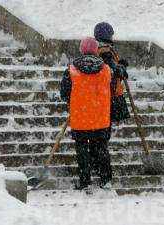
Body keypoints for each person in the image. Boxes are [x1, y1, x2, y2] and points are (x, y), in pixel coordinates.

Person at [60, 37, 113, 191]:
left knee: (82, 151)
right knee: (101, 149)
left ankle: (85, 181)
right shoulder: (106, 69)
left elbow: (64, 93)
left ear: (82, 50)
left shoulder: (71, 69)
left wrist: (77, 101)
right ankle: (106, 179)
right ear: (96, 50)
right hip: (100, 118)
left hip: (80, 117)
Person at [94, 22, 130, 123]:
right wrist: (122, 68)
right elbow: (114, 71)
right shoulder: (105, 51)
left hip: (106, 94)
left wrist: (120, 66)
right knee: (105, 126)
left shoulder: (98, 49)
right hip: (110, 95)